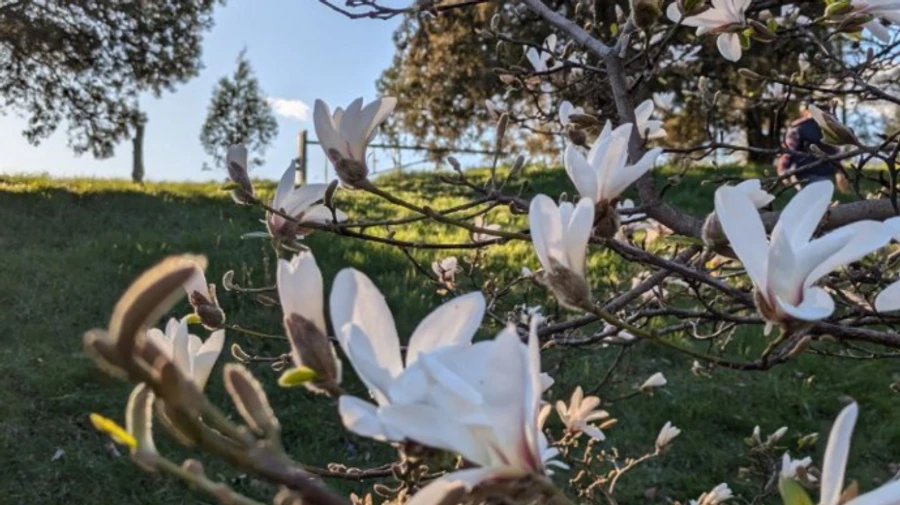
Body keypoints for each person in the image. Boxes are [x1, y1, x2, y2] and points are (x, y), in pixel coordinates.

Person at [775, 107, 849, 192]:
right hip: (820, 172)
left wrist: (782, 170)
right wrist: (840, 171)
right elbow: (837, 152)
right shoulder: (830, 128)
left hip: (805, 172)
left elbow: (788, 150)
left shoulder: (798, 126)